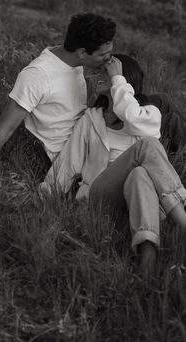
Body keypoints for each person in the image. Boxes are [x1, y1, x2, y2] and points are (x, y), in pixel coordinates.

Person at [41, 54, 186, 279]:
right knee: (146, 147)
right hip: (101, 194)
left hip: (139, 195)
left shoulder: (148, 114)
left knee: (139, 173)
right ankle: (182, 219)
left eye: (105, 72)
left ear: (123, 79)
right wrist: (44, 195)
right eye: (98, 72)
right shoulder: (92, 118)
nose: (97, 76)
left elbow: (133, 117)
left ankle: (146, 262)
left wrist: (117, 79)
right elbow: (68, 163)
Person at [0, 12, 116, 185]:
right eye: (103, 55)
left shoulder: (74, 62)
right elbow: (4, 129)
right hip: (51, 158)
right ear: (82, 52)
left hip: (80, 144)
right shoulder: (38, 75)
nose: (108, 59)